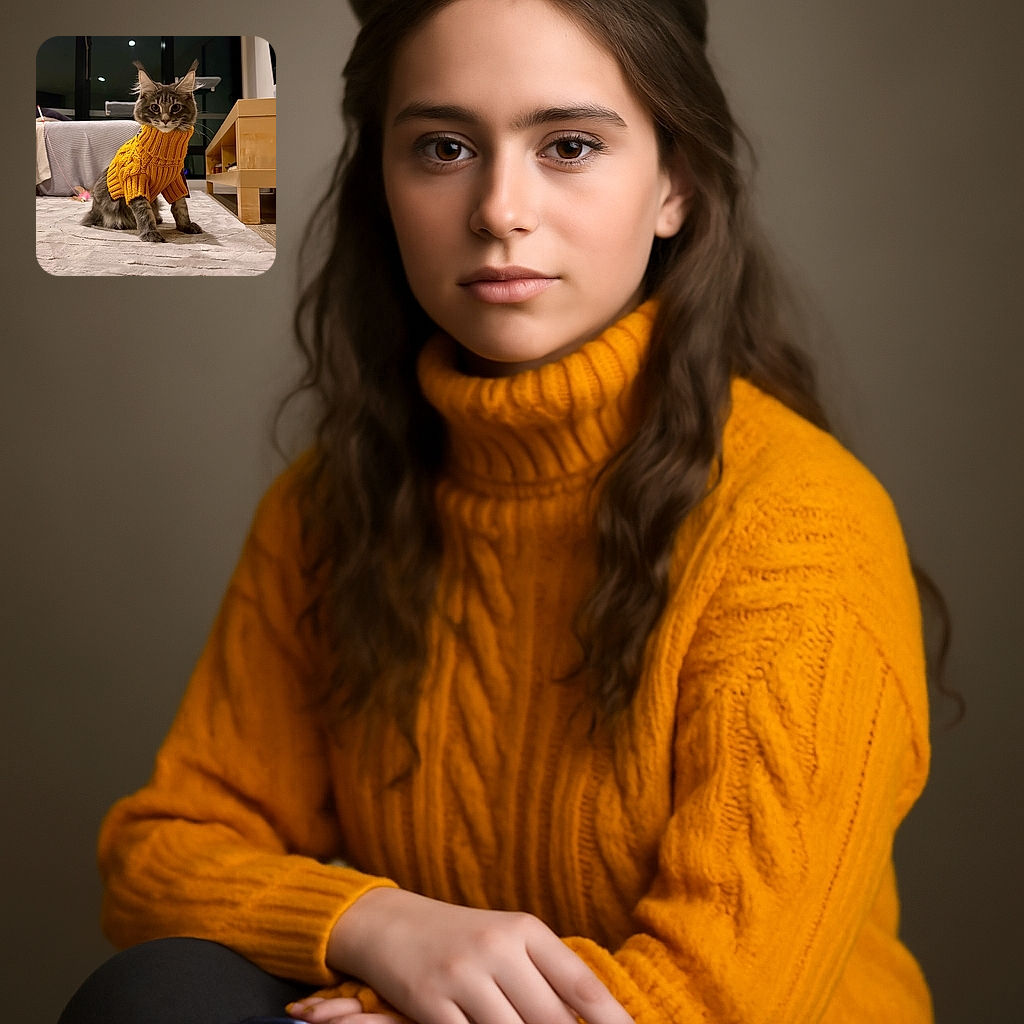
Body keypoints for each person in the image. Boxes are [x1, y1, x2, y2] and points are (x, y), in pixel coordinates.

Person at [59, 1, 936, 1022]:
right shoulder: (336, 505)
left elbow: (715, 995)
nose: (498, 210)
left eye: (567, 145)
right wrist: (382, 928)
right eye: (442, 147)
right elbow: (158, 853)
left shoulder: (796, 526)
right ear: (380, 184)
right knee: (163, 996)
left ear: (675, 184)